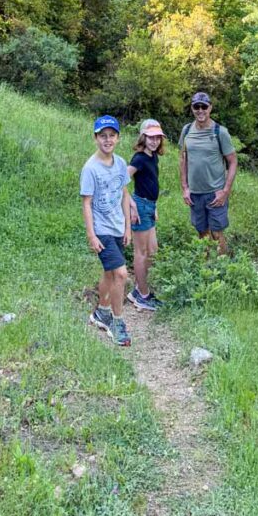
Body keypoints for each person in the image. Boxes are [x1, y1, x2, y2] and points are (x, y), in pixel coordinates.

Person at [81, 115, 133, 347]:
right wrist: (92, 235)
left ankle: (102, 311)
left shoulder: (121, 164)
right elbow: (87, 203)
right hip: (101, 229)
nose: (107, 140)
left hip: (117, 226)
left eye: (112, 136)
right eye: (103, 136)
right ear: (95, 138)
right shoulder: (90, 168)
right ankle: (117, 321)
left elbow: (123, 194)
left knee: (109, 273)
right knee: (121, 274)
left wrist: (128, 227)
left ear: (118, 139)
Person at [179, 92, 237, 255]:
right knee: (202, 233)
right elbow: (183, 159)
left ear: (210, 107)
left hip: (215, 193)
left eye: (204, 106)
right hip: (195, 193)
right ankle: (205, 269)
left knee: (217, 233)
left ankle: (222, 268)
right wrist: (185, 187)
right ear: (192, 108)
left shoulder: (220, 132)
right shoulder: (186, 130)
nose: (200, 110)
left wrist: (225, 191)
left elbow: (233, 161)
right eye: (196, 106)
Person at [127, 119, 166, 311]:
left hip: (150, 206)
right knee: (141, 253)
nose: (154, 141)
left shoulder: (153, 157)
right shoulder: (139, 158)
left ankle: (138, 288)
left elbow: (151, 182)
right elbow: (121, 180)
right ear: (144, 137)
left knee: (153, 251)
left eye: (158, 137)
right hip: (140, 206)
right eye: (151, 137)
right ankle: (142, 295)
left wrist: (154, 206)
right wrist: (131, 204)